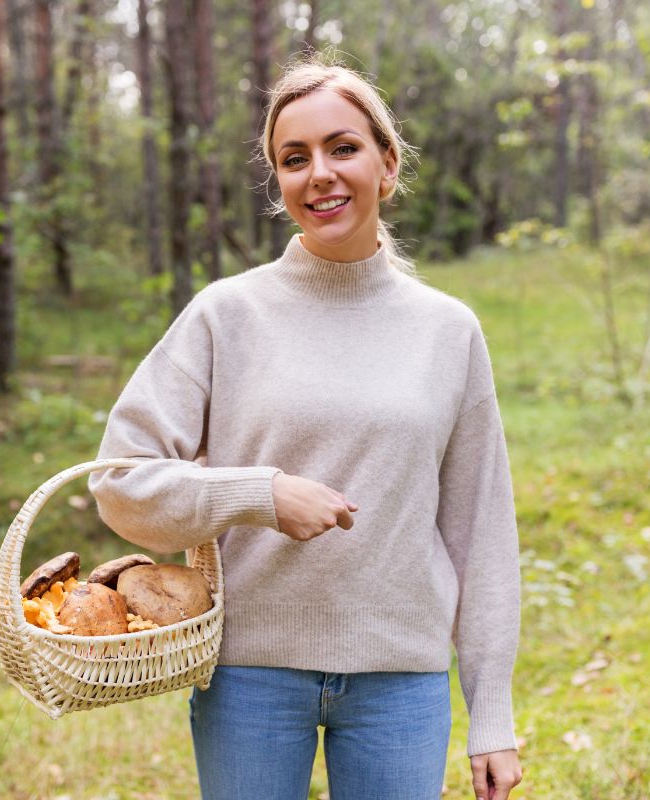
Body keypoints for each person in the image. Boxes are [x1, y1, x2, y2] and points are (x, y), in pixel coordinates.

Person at [88, 53, 523, 800]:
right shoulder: (227, 315)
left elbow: (481, 528)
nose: (319, 173)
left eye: (342, 148)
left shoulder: (448, 331)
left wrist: (492, 712)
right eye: (295, 159)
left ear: (387, 166)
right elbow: (119, 483)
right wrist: (259, 494)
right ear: (280, 183)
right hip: (249, 679)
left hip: (402, 681)